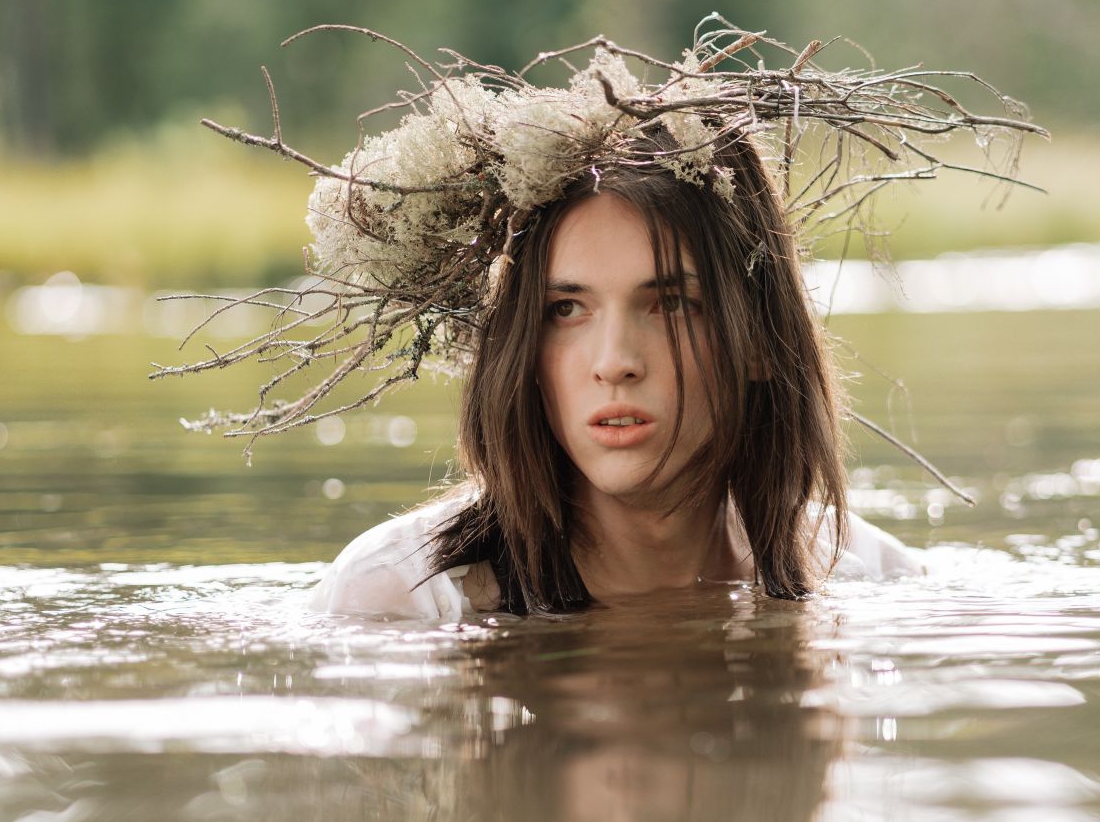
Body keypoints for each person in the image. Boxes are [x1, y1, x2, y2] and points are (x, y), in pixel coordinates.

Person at [310, 125, 923, 620]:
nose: (614, 364)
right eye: (567, 309)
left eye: (671, 304)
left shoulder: (868, 575)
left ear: (759, 341)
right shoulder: (401, 597)